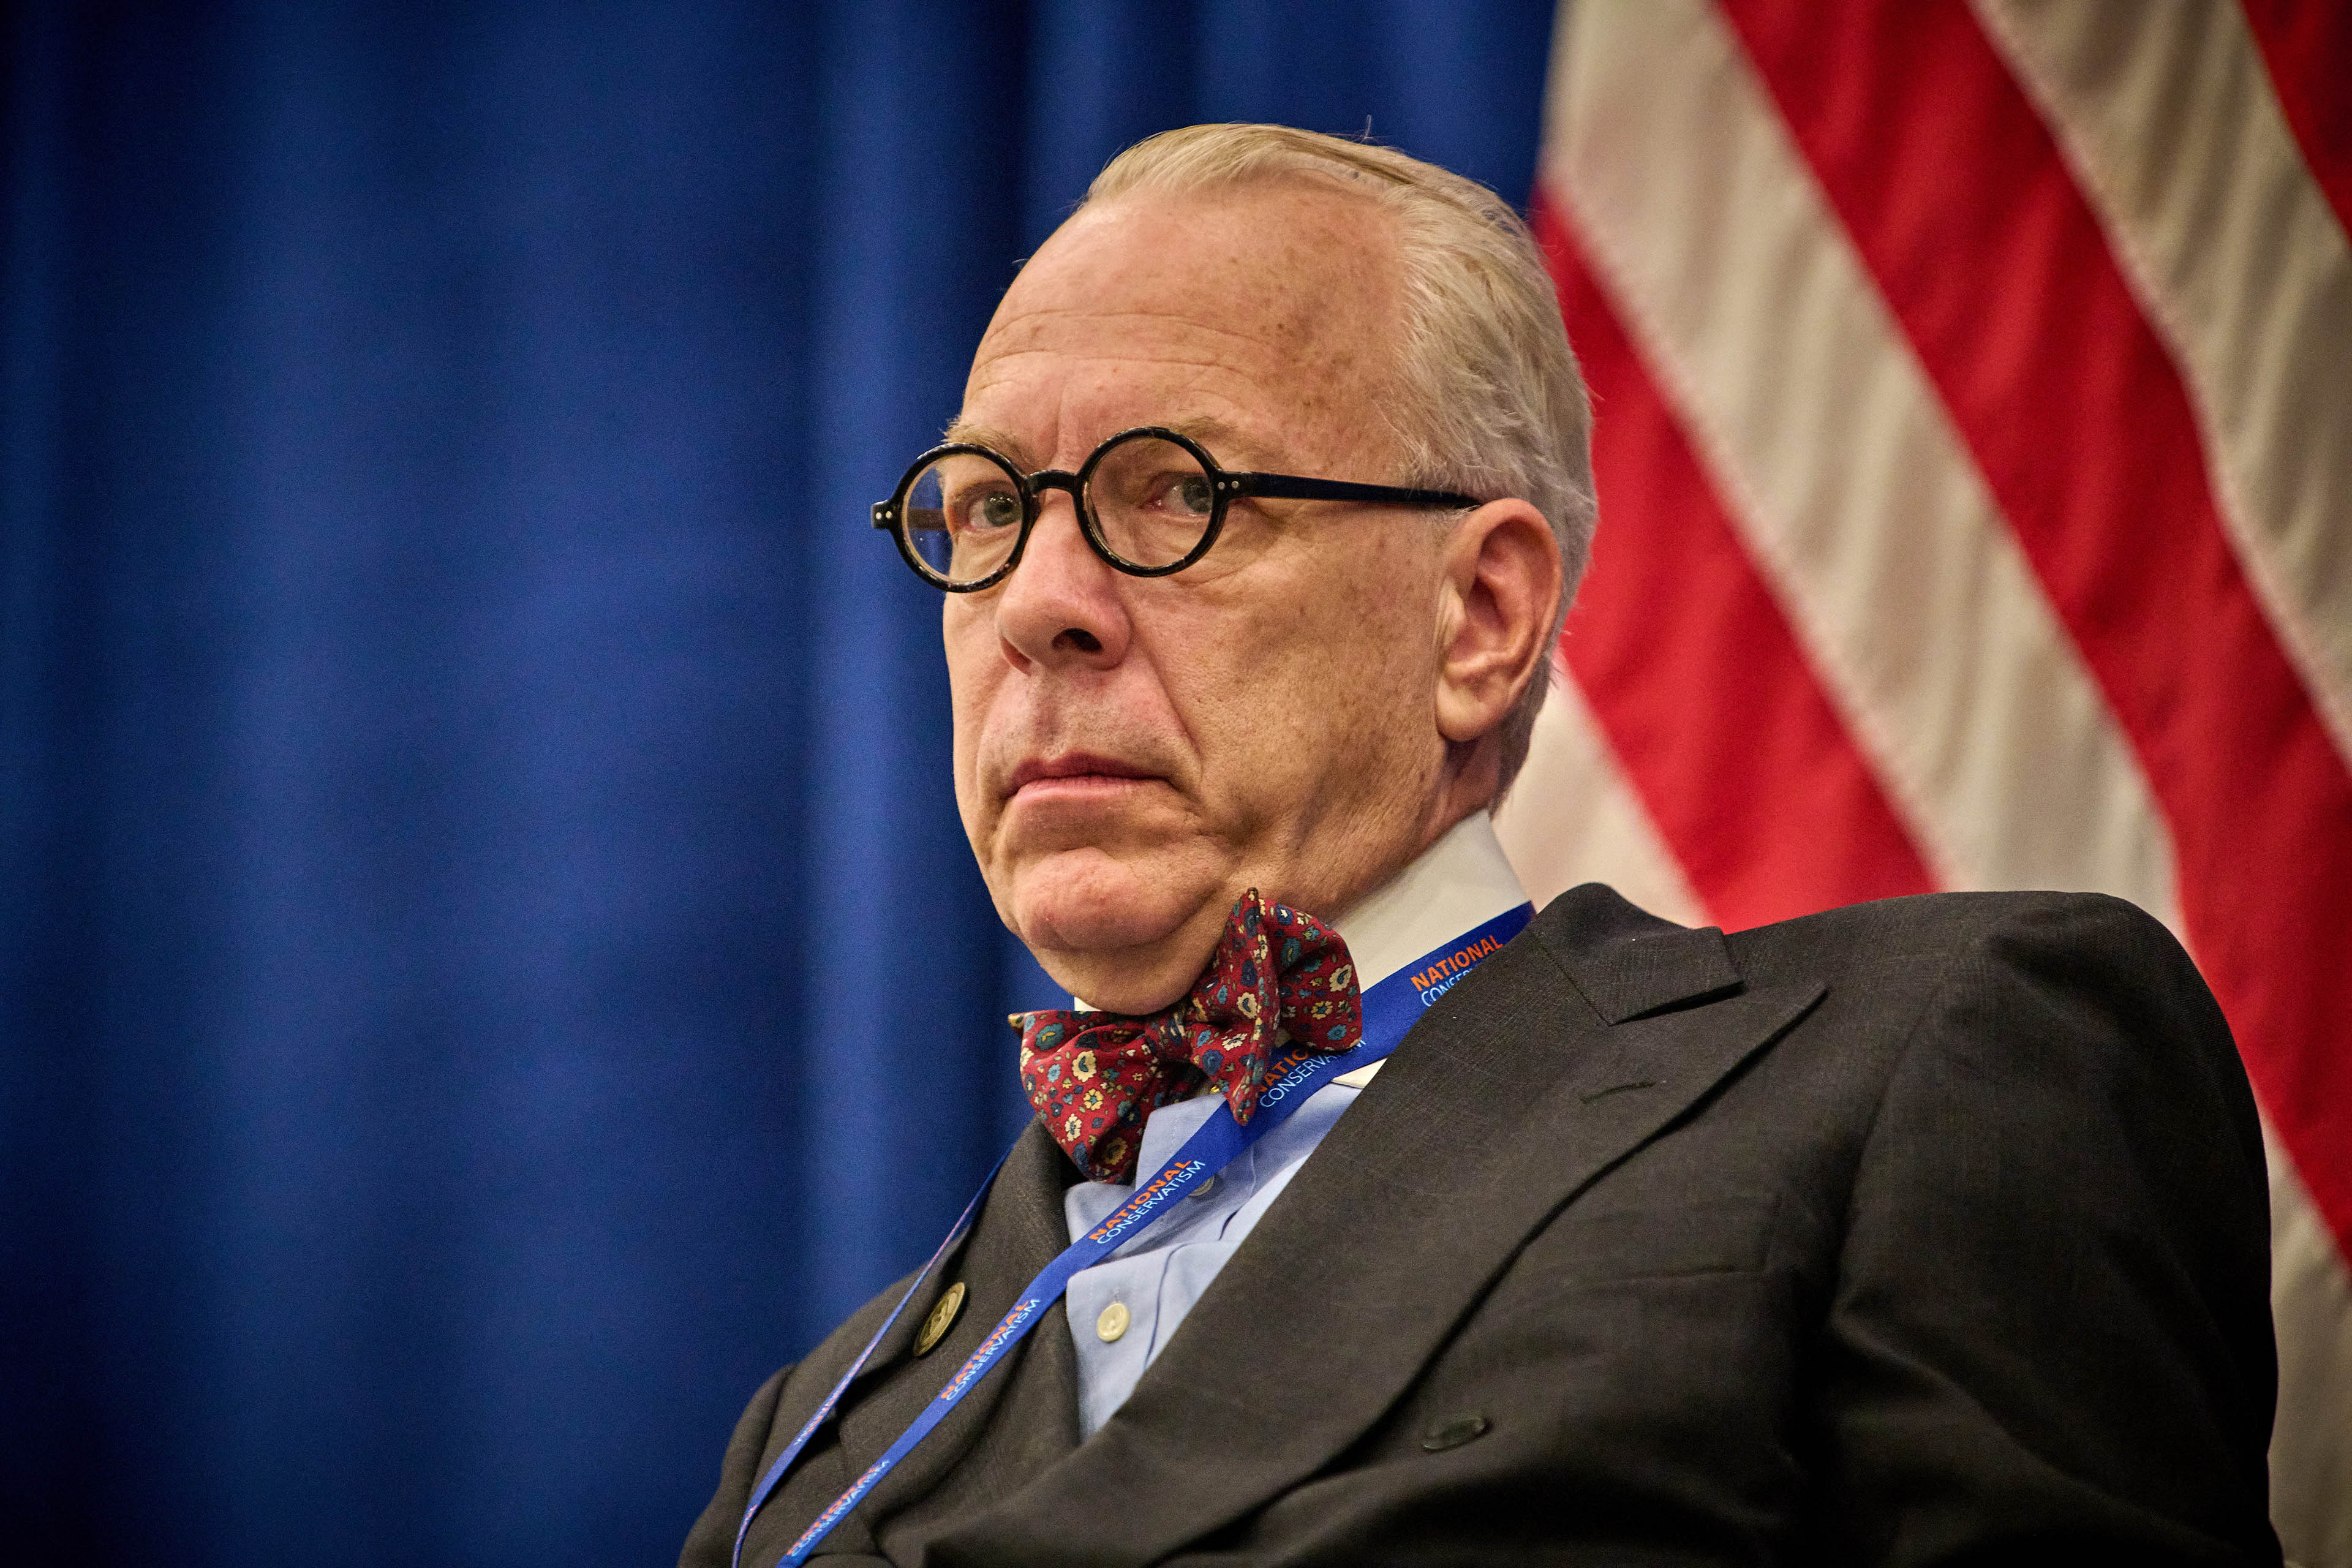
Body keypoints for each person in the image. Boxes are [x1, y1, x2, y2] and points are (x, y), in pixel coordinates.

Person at [683, 124, 2280, 1567]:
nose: (1035, 604)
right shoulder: (815, 1438)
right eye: (984, 507)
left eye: (1173, 494)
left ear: (1481, 619)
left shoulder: (1935, 1059)